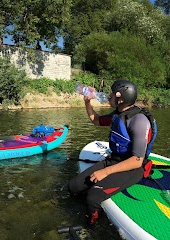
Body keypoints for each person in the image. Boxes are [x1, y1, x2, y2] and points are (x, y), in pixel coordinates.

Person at [67, 80, 157, 226]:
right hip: (114, 160)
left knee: (93, 198)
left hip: (133, 167)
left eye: (111, 94)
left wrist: (105, 172)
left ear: (120, 99)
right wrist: (87, 102)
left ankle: (92, 226)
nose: (108, 96)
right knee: (73, 186)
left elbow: (137, 160)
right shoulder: (118, 114)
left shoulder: (139, 121)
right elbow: (95, 120)